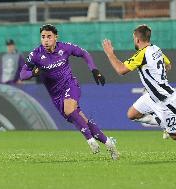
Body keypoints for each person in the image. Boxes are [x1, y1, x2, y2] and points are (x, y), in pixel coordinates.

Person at [102, 24, 176, 160]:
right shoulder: (156, 49)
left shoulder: (141, 55)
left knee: (174, 134)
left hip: (167, 101)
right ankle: (161, 122)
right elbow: (168, 65)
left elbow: (121, 69)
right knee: (132, 114)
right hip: (152, 97)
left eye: (134, 38)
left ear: (137, 39)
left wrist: (110, 54)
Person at [20, 24, 119, 160]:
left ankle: (90, 140)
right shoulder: (36, 54)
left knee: (69, 110)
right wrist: (33, 72)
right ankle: (110, 144)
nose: (46, 40)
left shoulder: (64, 47)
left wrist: (94, 69)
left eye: (49, 36)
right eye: (43, 37)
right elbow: (22, 74)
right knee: (82, 120)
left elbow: (84, 53)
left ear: (56, 37)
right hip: (56, 96)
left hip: (70, 85)